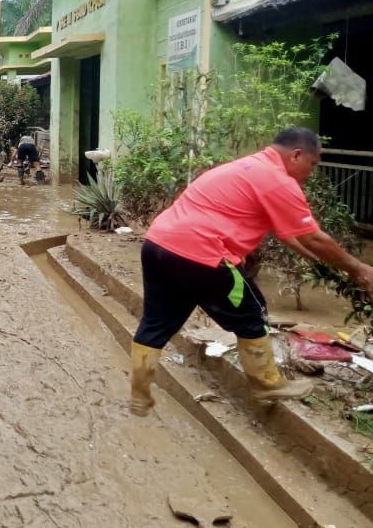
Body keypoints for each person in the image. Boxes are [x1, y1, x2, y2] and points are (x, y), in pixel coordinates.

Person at [131, 127, 373, 417]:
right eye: (313, 163)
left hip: (159, 245)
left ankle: (140, 392)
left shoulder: (246, 167)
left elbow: (290, 235)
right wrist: (359, 269)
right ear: (296, 155)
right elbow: (314, 237)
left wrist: (323, 263)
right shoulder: (278, 181)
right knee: (253, 313)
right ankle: (268, 384)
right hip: (204, 255)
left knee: (157, 322)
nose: (312, 171)